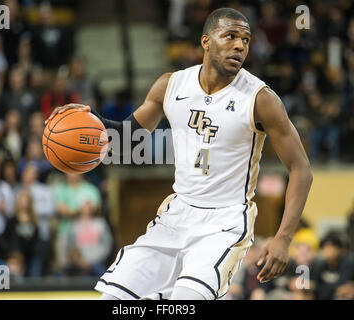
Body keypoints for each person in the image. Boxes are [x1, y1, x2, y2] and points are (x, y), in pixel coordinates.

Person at [46, 8, 313, 300]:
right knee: (114, 298)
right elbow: (126, 139)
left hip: (224, 221)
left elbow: (301, 169)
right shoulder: (171, 85)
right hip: (177, 214)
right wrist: (85, 119)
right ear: (206, 41)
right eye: (231, 36)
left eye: (246, 40)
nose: (240, 45)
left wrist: (283, 237)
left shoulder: (260, 99)